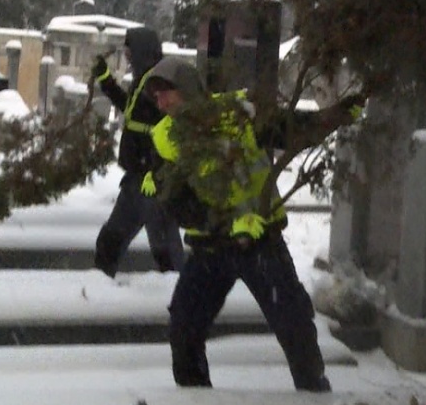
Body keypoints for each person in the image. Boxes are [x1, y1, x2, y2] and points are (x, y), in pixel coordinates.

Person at [142, 56, 331, 392]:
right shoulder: (164, 137)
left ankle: (314, 393)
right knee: (184, 328)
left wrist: (341, 113)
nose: (161, 102)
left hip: (262, 242)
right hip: (210, 249)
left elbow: (289, 129)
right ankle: (194, 397)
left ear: (186, 88)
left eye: (165, 92)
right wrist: (226, 223)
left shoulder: (235, 113)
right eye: (156, 97)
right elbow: (177, 203)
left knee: (294, 324)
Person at [91, 27, 185, 277]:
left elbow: (168, 128)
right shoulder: (143, 80)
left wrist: (158, 172)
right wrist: (106, 80)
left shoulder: (158, 84)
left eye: (130, 53)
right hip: (135, 180)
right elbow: (130, 112)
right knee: (110, 242)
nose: (128, 58)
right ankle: (98, 287)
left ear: (142, 52)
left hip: (153, 185)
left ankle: (182, 297)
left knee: (167, 253)